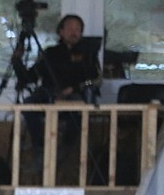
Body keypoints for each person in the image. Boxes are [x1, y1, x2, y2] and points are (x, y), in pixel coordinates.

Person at [12, 14, 102, 160]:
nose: (74, 32)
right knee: (29, 105)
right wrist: (17, 61)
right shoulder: (50, 52)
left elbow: (95, 80)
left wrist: (74, 88)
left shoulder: (88, 53)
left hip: (75, 96)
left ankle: (64, 152)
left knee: (77, 111)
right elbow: (29, 77)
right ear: (61, 31)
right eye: (70, 28)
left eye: (78, 29)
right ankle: (39, 148)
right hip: (48, 94)